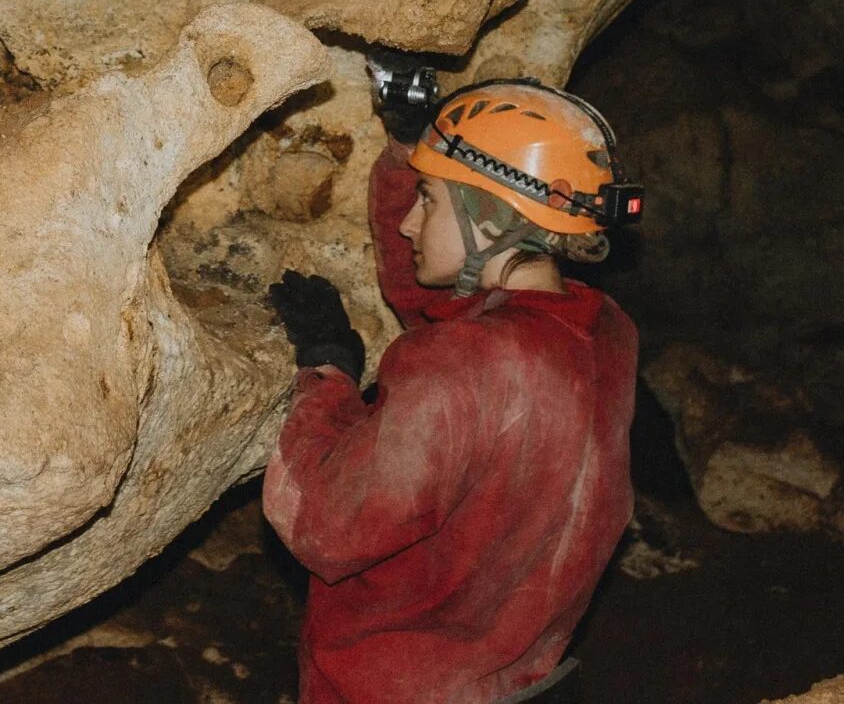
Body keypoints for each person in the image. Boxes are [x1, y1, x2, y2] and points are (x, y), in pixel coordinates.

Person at [263, 76, 643, 703]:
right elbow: (455, 314)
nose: (411, 222)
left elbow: (322, 526)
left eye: (430, 200)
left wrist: (325, 374)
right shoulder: (605, 333)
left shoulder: (463, 364)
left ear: (493, 218)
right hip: (513, 674)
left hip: (390, 686)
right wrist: (409, 146)